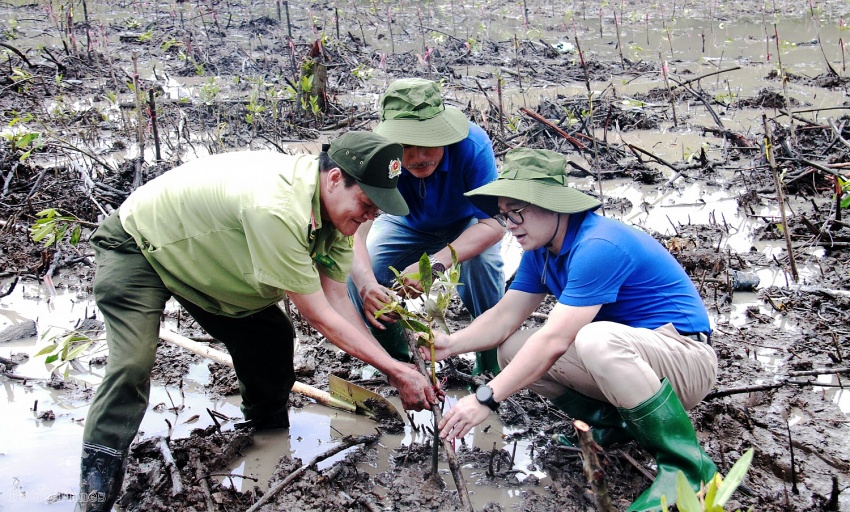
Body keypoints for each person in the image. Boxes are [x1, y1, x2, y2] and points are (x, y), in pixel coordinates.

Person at [77, 132, 440, 511]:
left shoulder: (336, 216)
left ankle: (266, 441)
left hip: (207, 258)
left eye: (376, 211)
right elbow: (320, 316)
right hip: (140, 246)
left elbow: (337, 301)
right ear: (334, 179)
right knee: (132, 363)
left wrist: (393, 368)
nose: (369, 217)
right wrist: (396, 371)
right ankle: (94, 494)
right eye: (366, 204)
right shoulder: (279, 208)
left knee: (271, 341)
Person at [429, 148, 719, 511]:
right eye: (504, 216)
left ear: (554, 205)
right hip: (634, 360)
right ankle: (615, 426)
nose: (511, 225)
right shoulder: (541, 251)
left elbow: (555, 340)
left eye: (517, 212)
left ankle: (688, 468)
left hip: (685, 358)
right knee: (512, 348)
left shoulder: (598, 244)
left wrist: (487, 398)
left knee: (594, 339)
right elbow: (504, 317)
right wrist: (448, 344)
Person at [347, 77, 505, 375]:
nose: (419, 157)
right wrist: (367, 284)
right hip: (406, 224)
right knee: (361, 272)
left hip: (467, 222)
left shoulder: (472, 146)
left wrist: (433, 265)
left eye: (429, 143)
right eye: (406, 146)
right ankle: (402, 359)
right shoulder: (377, 156)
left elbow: (493, 225)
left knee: (482, 262)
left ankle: (490, 356)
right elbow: (354, 231)